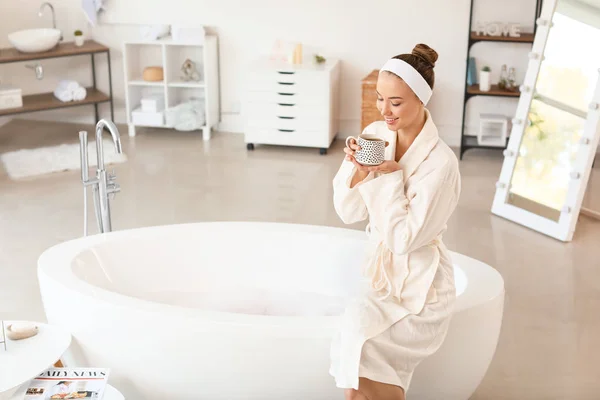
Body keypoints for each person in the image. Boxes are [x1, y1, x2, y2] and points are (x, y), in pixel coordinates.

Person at [329, 43, 461, 400]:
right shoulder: (376, 133)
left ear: (422, 99)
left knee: (364, 349)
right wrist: (358, 173)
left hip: (422, 289)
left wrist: (387, 177)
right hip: (381, 278)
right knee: (354, 350)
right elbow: (348, 212)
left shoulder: (441, 165)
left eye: (396, 102)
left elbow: (405, 240)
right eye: (380, 98)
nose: (384, 111)